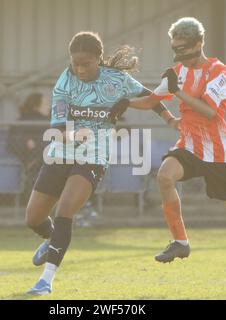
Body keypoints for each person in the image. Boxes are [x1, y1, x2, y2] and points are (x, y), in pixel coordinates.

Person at [111, 17, 226, 292]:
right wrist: (125, 103)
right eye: (175, 48)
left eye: (183, 48)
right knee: (165, 176)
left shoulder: (218, 71)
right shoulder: (177, 71)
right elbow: (152, 100)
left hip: (221, 154)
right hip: (190, 146)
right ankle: (181, 242)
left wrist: (178, 92)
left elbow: (209, 111)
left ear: (199, 43)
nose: (179, 54)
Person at [24, 31, 177, 295]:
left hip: (93, 157)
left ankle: (46, 281)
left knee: (64, 213)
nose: (80, 69)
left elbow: (151, 98)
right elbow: (58, 129)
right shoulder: (65, 81)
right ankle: (52, 241)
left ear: (99, 59)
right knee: (33, 218)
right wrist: (74, 135)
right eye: (76, 63)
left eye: (86, 63)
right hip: (62, 151)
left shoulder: (116, 80)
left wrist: (170, 119)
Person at [7, 93, 49, 203]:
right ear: (36, 106)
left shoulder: (50, 121)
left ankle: (34, 162)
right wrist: (26, 140)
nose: (47, 106)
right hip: (28, 155)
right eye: (44, 104)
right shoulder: (23, 121)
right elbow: (13, 141)